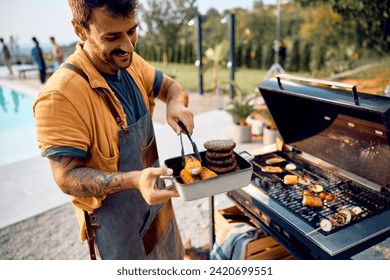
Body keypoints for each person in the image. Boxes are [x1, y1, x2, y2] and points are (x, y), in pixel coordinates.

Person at [33, 0, 194, 260]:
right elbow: (66, 177)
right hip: (119, 231)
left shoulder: (132, 63)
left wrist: (175, 105)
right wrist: (134, 180)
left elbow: (171, 88)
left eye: (131, 31)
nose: (128, 46)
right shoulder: (59, 95)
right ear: (80, 30)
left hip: (159, 209)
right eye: (112, 36)